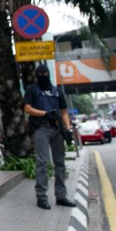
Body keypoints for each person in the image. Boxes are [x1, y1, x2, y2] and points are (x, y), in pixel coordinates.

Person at [23, 63, 77, 210]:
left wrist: (67, 128)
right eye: (40, 74)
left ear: (48, 74)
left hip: (57, 129)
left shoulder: (57, 91)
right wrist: (44, 114)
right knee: (42, 163)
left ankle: (61, 196)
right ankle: (41, 197)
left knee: (60, 163)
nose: (43, 76)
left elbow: (64, 111)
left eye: (45, 74)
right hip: (41, 128)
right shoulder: (32, 89)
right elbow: (27, 108)